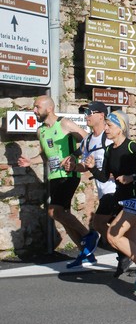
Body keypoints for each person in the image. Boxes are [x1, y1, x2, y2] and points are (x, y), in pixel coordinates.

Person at [17, 95, 99, 268]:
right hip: (54, 176)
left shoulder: (64, 124)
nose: (34, 110)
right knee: (63, 215)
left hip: (69, 175)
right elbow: (46, 155)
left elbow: (87, 140)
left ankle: (88, 235)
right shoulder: (41, 131)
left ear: (49, 108)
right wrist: (31, 161)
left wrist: (74, 158)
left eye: (37, 107)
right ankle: (85, 253)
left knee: (54, 212)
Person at [84, 110, 136, 292]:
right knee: (133, 243)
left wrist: (132, 177)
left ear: (121, 128)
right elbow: (104, 177)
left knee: (113, 234)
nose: (106, 129)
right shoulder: (110, 149)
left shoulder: (132, 147)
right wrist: (92, 168)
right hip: (123, 199)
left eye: (110, 125)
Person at [73, 102, 130, 277]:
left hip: (116, 190)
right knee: (118, 231)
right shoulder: (88, 140)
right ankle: (131, 255)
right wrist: (73, 167)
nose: (86, 116)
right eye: (85, 113)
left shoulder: (109, 136)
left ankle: (131, 256)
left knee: (100, 224)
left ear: (101, 115)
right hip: (103, 189)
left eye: (89, 112)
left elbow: (124, 154)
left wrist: (121, 172)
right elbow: (85, 165)